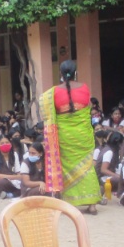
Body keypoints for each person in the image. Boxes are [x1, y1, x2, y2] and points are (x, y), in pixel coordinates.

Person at [41, 60, 102, 213]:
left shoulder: (53, 93)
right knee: (87, 167)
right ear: (76, 72)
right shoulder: (85, 88)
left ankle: (69, 203)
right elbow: (88, 108)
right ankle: (92, 204)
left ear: (60, 73)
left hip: (64, 136)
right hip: (83, 135)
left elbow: (49, 114)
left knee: (66, 167)